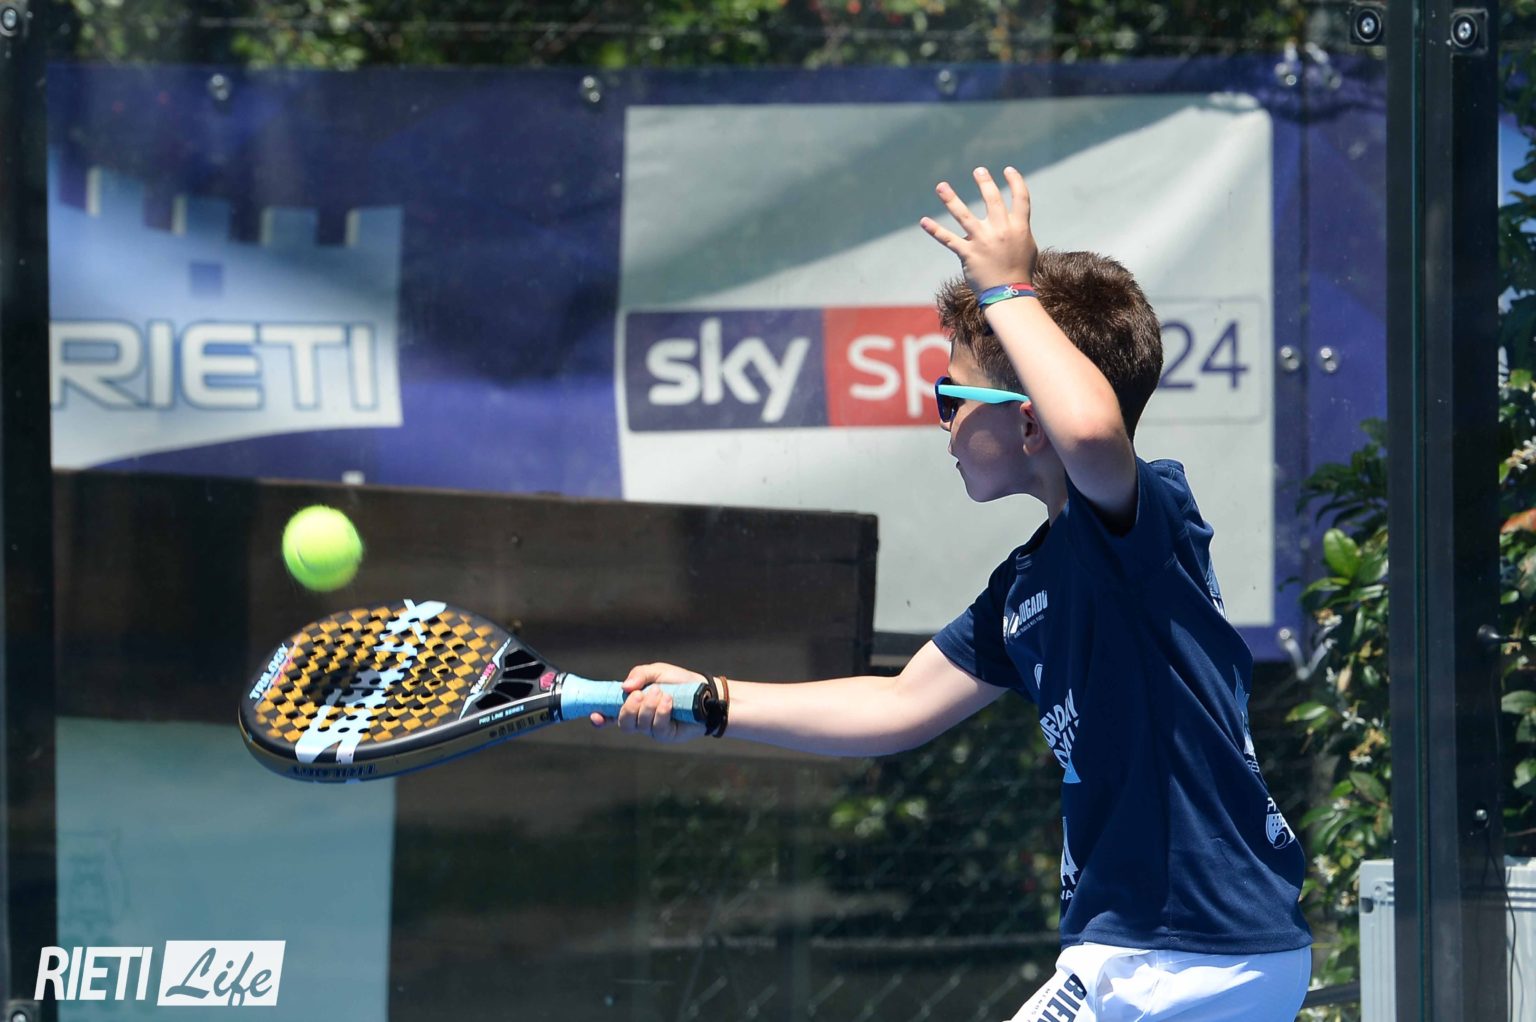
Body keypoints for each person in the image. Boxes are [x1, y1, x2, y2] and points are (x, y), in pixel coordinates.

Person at [595, 166, 1312, 1021]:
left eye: (951, 396)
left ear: (1028, 421)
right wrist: (714, 701)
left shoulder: (1139, 523)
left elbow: (1091, 430)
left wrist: (1008, 288)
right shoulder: (1024, 588)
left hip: (1178, 954)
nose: (940, 421)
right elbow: (898, 705)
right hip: (1181, 951)